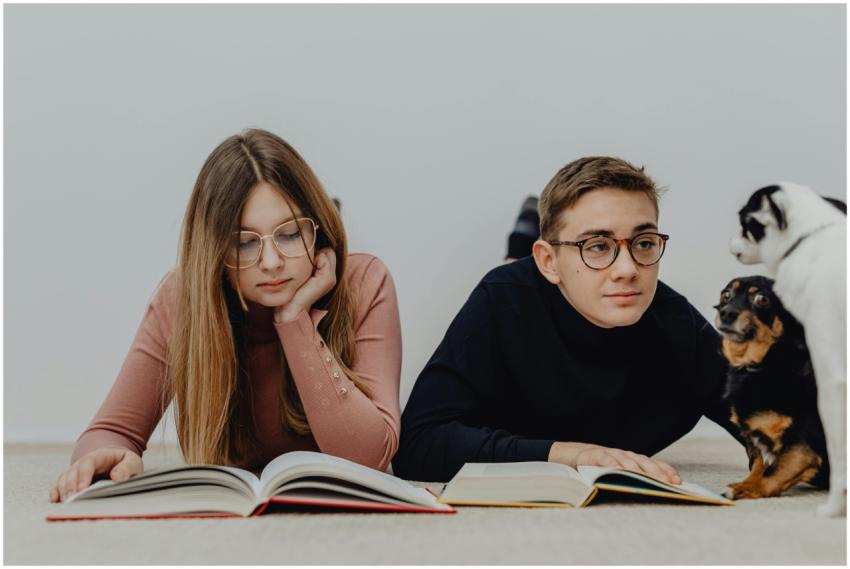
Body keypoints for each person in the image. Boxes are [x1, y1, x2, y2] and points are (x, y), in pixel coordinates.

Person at [50, 129, 402, 502]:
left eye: (289, 234)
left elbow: (368, 459)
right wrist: (103, 458)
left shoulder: (364, 283)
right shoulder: (183, 301)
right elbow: (111, 432)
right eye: (244, 242)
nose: (271, 263)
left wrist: (294, 320)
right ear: (215, 252)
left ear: (317, 229)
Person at [393, 156, 742, 483]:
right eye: (598, 246)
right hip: (528, 304)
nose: (628, 270)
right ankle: (522, 241)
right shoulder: (503, 299)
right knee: (514, 271)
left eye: (644, 243)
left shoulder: (677, 325)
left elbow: (783, 427)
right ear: (548, 261)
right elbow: (418, 444)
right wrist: (567, 454)